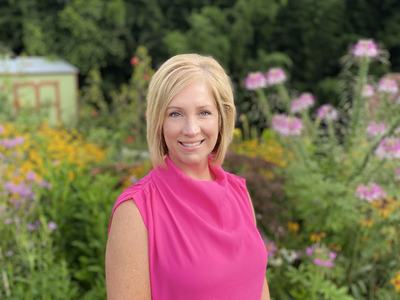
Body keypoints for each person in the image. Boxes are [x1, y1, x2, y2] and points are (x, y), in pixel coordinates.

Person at [105, 53, 270, 300]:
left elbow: (259, 288)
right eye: (175, 114)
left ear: (222, 118)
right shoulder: (135, 212)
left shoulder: (239, 193)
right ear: (158, 122)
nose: (191, 129)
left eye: (204, 112)